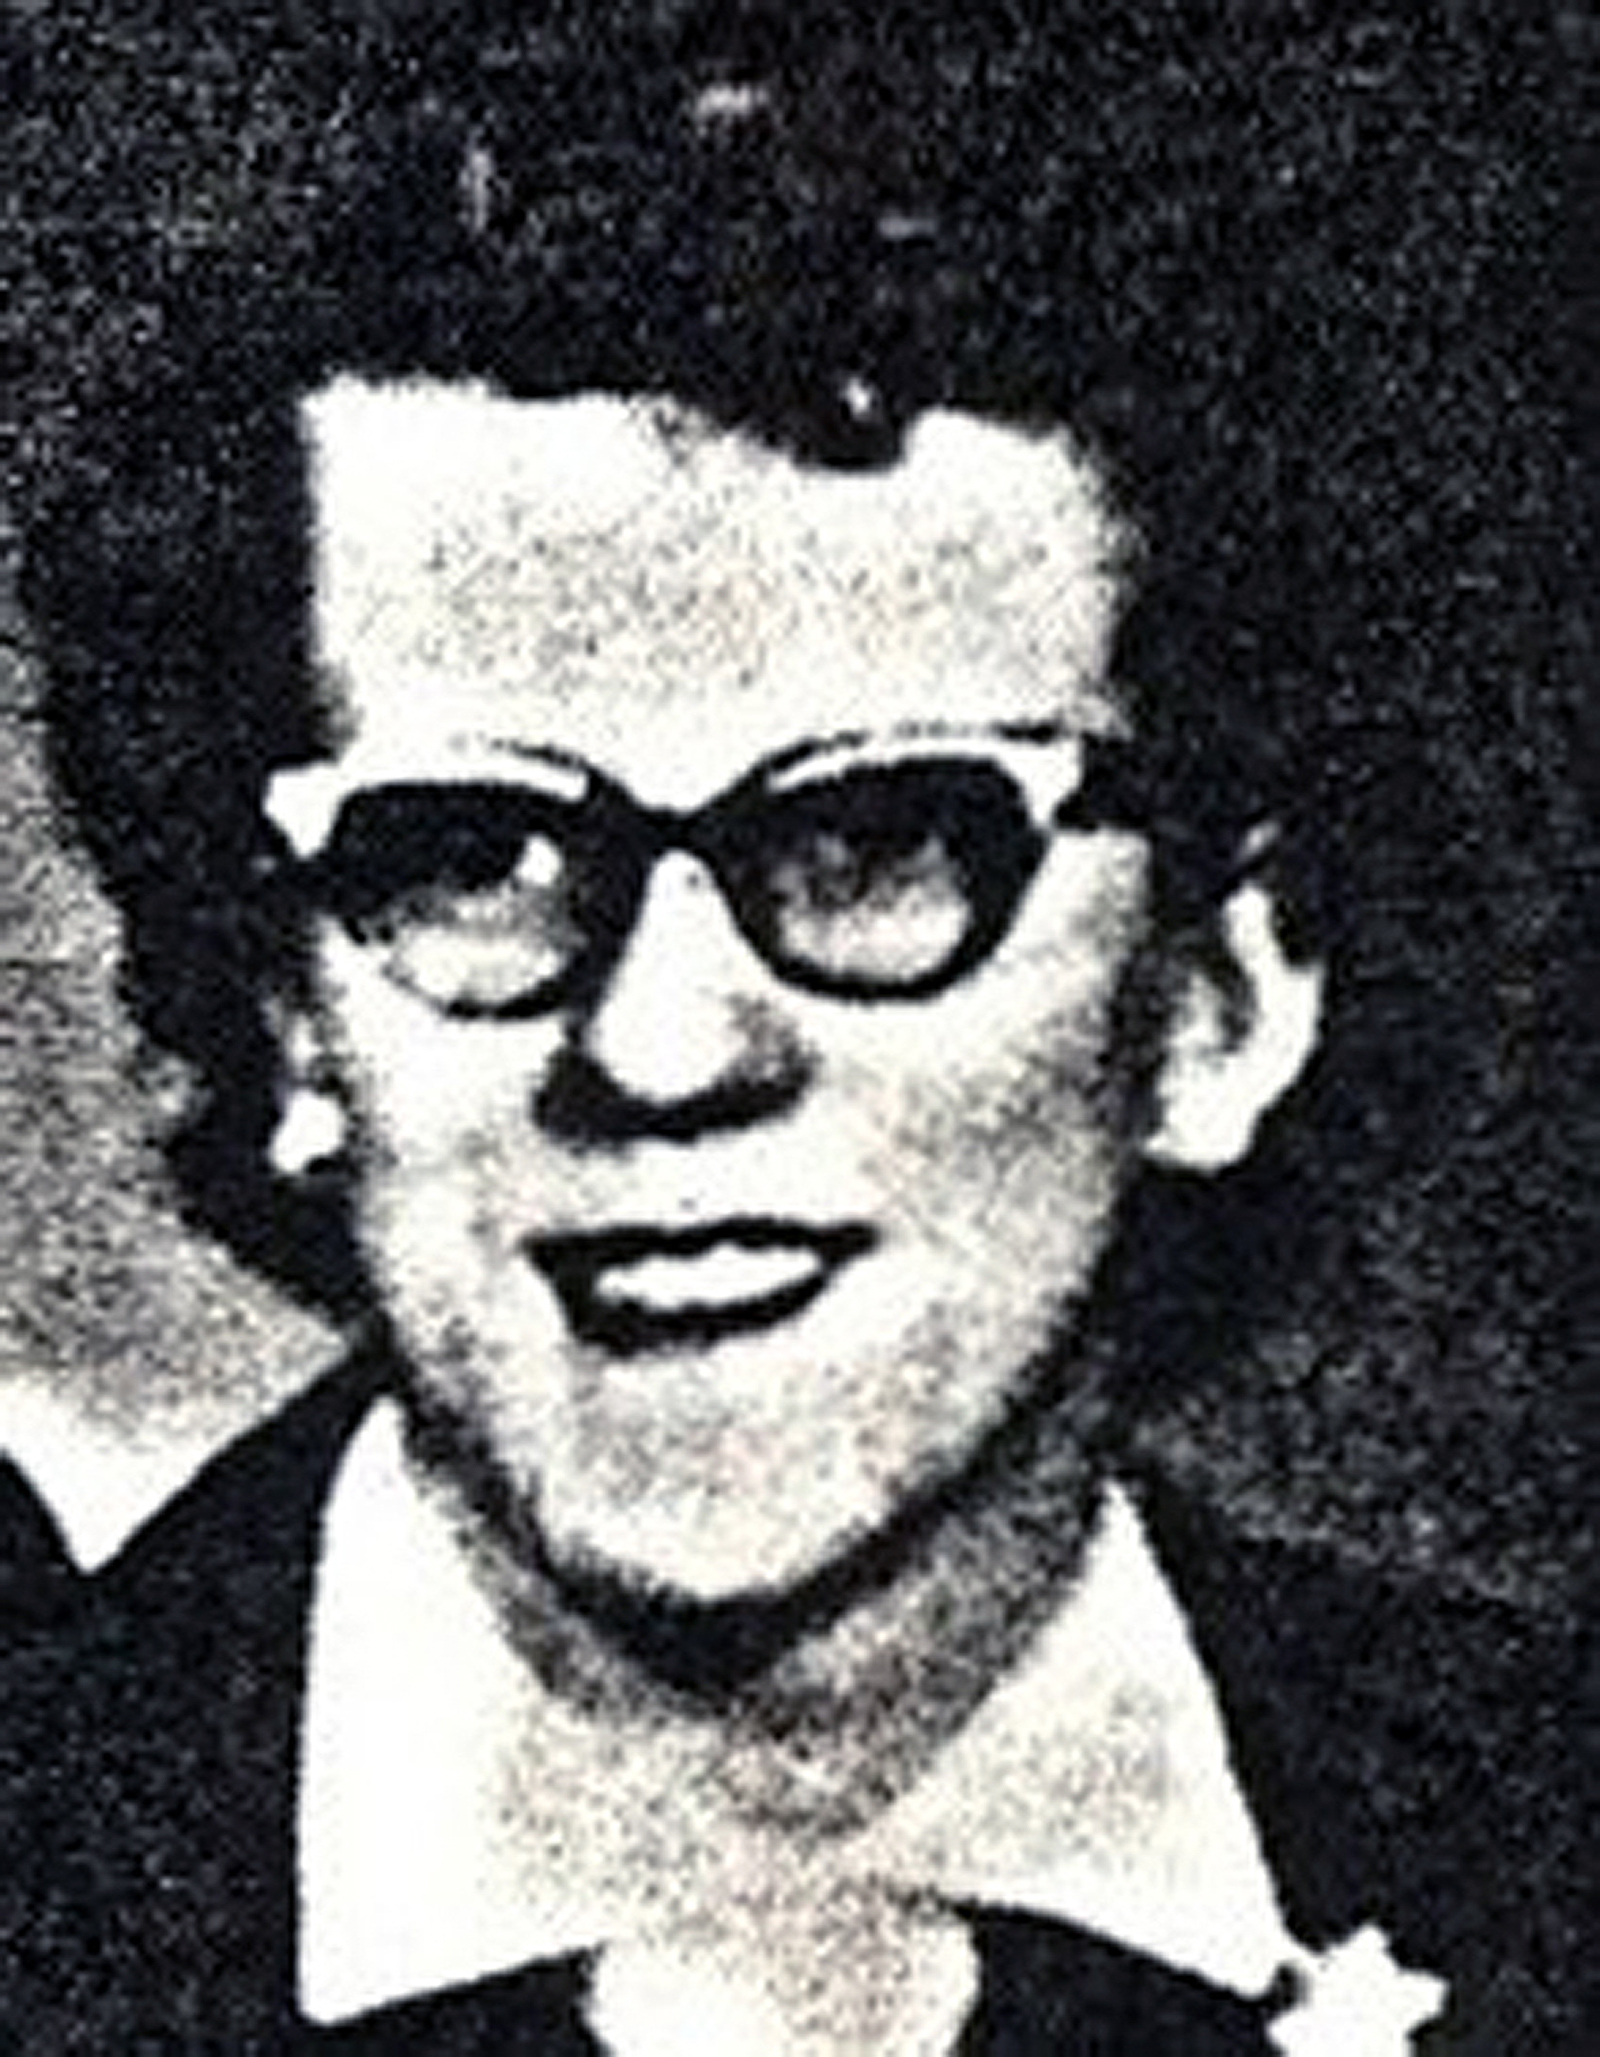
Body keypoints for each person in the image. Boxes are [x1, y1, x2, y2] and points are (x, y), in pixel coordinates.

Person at [0, 4, 1584, 2051]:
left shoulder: (1538, 1848)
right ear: (289, 1014)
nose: (662, 1048)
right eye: (469, 855)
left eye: (876, 841)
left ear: (1223, 994)